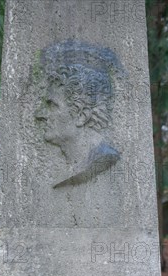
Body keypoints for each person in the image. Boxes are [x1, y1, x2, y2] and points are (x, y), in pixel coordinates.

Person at [35, 41, 121, 188]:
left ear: (82, 116)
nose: (40, 115)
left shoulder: (99, 159)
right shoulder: (69, 167)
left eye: (52, 105)